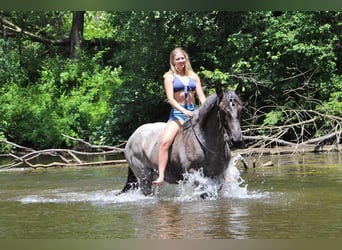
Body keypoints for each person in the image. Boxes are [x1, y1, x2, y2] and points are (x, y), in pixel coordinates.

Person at [153, 47, 206, 185]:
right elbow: (170, 99)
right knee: (165, 142)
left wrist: (206, 110)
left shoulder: (194, 77)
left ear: (186, 59)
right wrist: (183, 111)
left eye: (182, 58)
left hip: (194, 113)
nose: (181, 61)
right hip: (178, 115)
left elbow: (201, 97)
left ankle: (224, 170)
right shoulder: (169, 77)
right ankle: (161, 175)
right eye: (178, 59)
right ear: (173, 61)